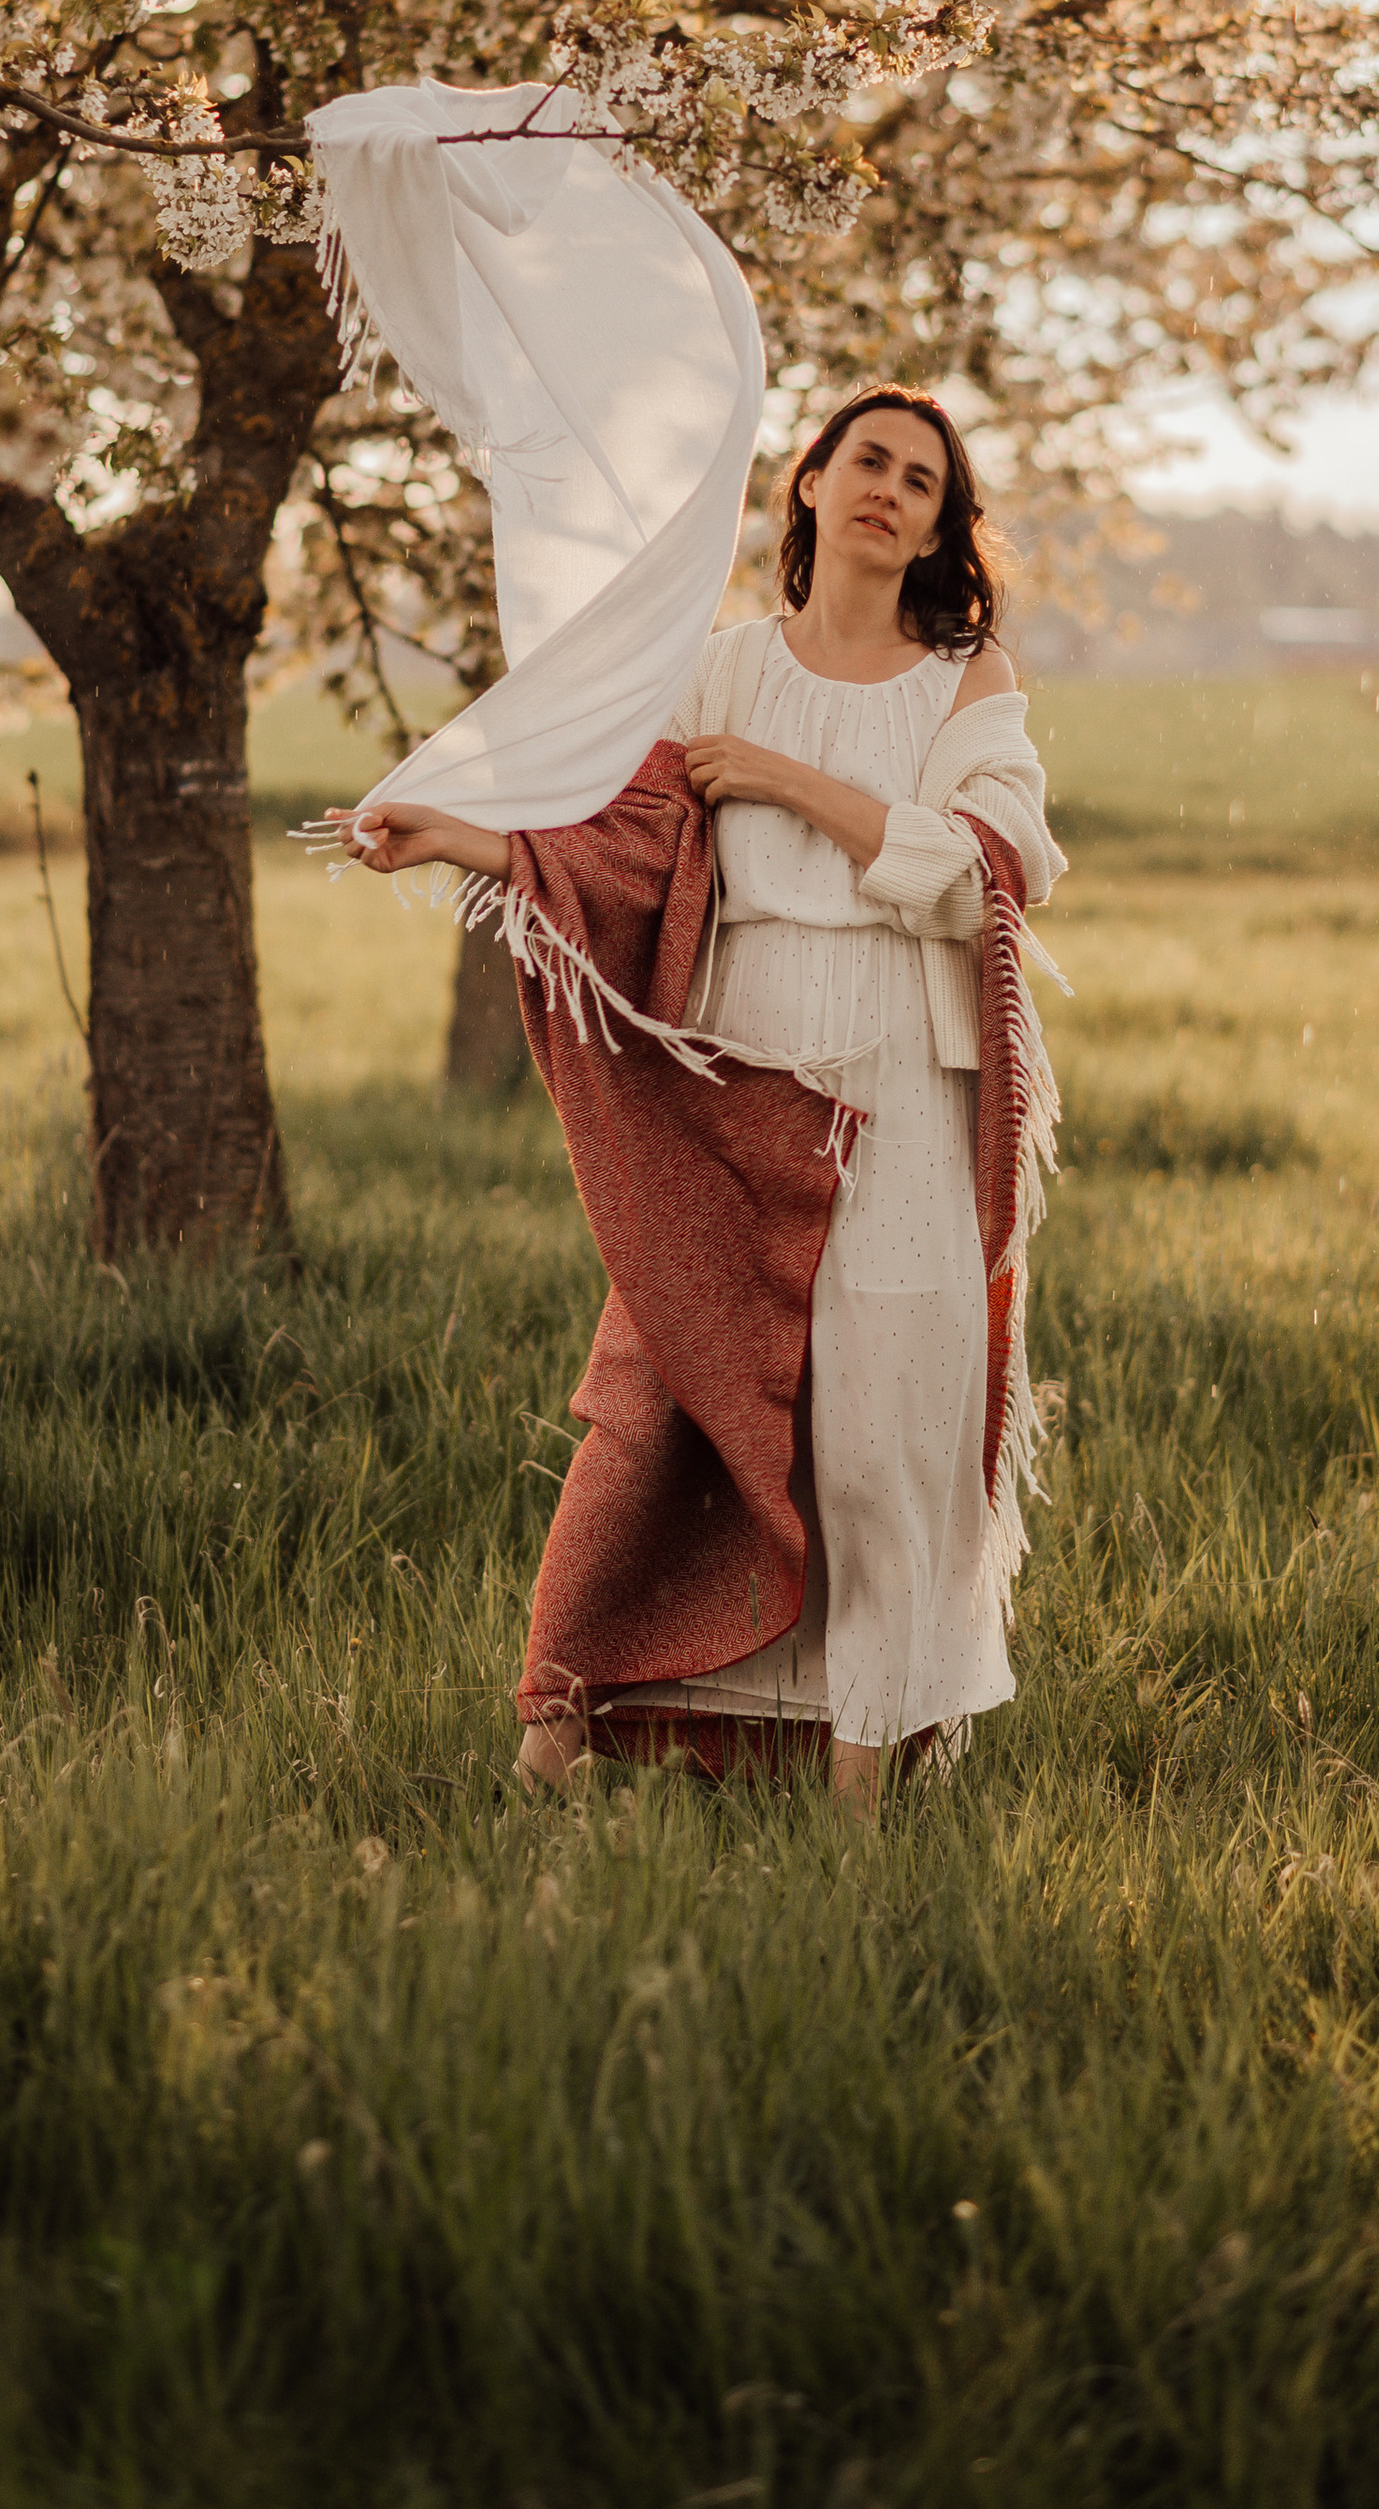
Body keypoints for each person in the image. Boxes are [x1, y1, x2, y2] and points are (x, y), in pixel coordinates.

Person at [332, 388, 1064, 1821]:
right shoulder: (720, 667)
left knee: (878, 1435)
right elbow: (617, 848)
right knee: (672, 1406)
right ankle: (551, 1750)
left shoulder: (968, 683)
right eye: (869, 460)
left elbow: (993, 870)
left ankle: (858, 1811)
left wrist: (792, 785)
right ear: (809, 480)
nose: (891, 491)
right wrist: (454, 834)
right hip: (740, 1069)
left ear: (938, 523)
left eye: (923, 479)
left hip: (901, 1088)